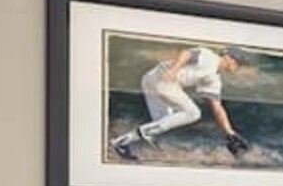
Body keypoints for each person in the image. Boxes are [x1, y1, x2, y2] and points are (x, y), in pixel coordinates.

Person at [109, 45, 254, 161]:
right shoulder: (210, 57)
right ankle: (135, 137)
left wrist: (230, 133)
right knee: (193, 113)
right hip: (162, 78)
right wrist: (174, 70)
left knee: (163, 123)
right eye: (239, 63)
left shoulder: (214, 80)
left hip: (152, 80)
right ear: (229, 58)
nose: (238, 67)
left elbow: (217, 107)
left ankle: (121, 143)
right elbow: (187, 53)